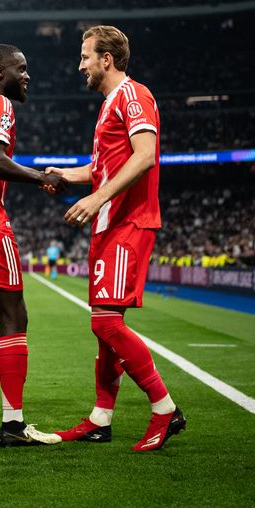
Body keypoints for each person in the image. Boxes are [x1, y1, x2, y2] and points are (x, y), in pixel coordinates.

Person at [47, 25, 186, 451]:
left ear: (107, 59)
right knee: (107, 326)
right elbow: (103, 168)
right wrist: (62, 176)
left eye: (86, 56)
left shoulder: (132, 95)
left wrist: (97, 198)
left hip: (129, 220)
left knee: (106, 321)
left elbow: (146, 156)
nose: (81, 64)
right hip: (110, 222)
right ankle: (101, 417)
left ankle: (165, 410)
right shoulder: (110, 104)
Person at [0, 43, 66, 447]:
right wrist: (42, 177)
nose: (27, 76)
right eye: (22, 68)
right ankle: (13, 425)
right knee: (14, 319)